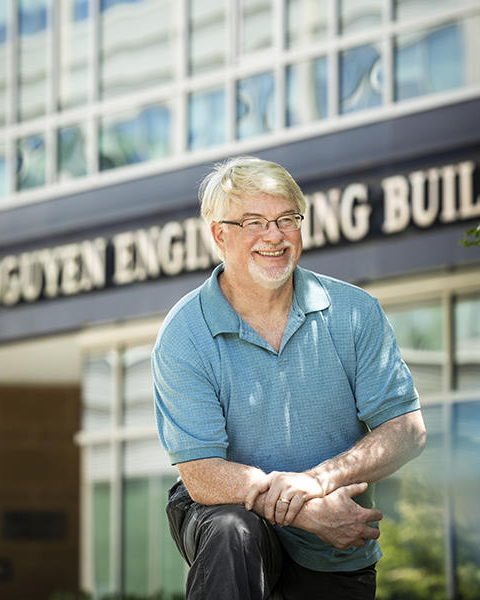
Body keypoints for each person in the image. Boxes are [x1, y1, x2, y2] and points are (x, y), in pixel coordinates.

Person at [152, 156, 426, 600]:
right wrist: (304, 510)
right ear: (220, 234)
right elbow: (202, 473)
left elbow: (407, 431)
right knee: (231, 529)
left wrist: (319, 482)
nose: (274, 236)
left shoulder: (355, 312)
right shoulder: (186, 333)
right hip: (228, 512)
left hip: (335, 534)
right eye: (254, 222)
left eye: (286, 219)